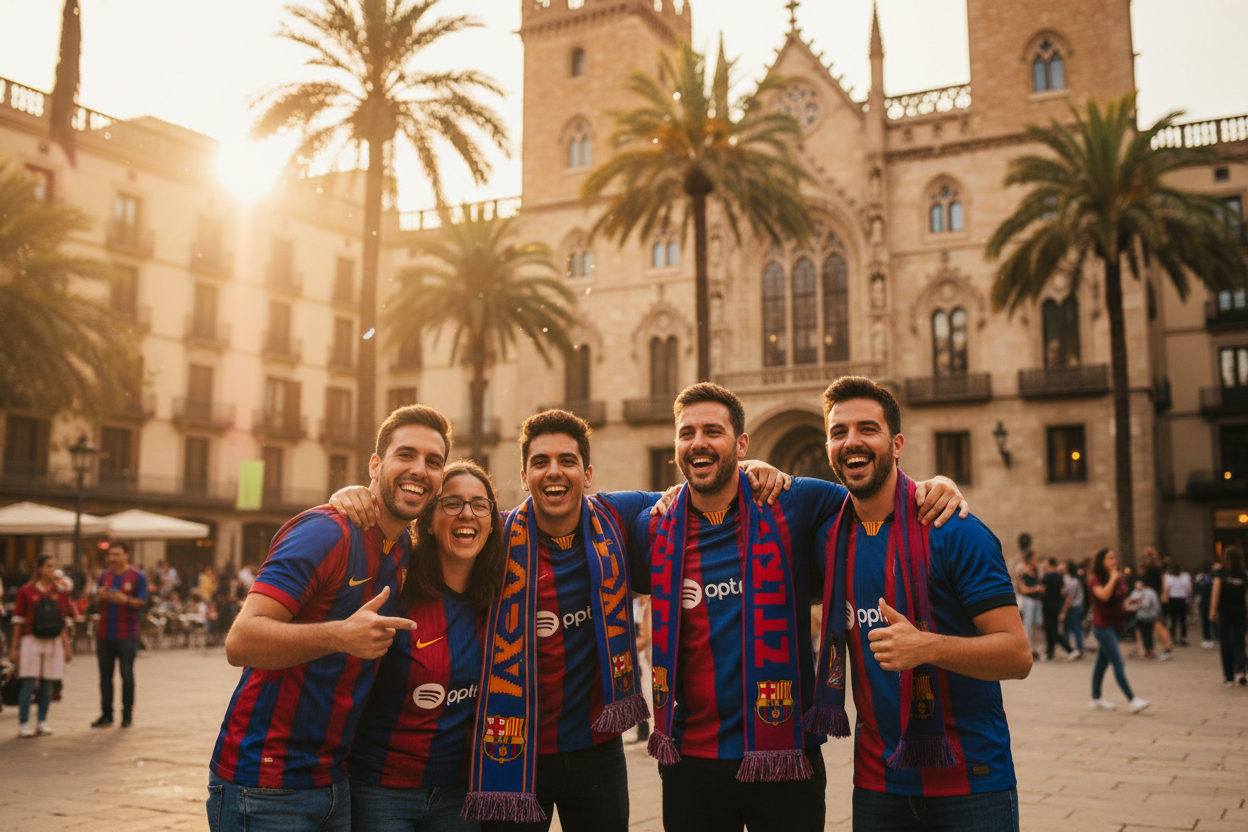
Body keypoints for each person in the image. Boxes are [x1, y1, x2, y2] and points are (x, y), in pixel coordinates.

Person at [330, 409, 791, 832]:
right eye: (541, 461)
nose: (555, 472)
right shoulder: (495, 537)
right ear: (525, 474)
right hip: (514, 752)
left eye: (567, 461)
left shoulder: (620, 514)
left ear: (586, 474)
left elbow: (699, 488)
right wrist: (358, 496)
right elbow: (438, 529)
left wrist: (752, 470)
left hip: (599, 750)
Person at [642, 383, 967, 832]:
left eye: (713, 431)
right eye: (687, 433)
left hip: (789, 759)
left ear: (740, 443)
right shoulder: (653, 519)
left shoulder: (796, 498)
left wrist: (936, 485)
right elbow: (578, 509)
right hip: (692, 762)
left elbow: (875, 496)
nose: (698, 442)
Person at [207, 405, 448, 832]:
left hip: (335, 784)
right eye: (405, 455)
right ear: (376, 464)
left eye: (433, 462)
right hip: (264, 786)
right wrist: (339, 636)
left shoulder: (405, 551)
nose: (419, 470)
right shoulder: (327, 532)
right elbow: (240, 641)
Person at [805, 376, 1029, 832]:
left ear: (897, 443)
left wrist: (926, 647)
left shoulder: (954, 530)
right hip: (877, 784)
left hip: (972, 783)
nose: (852, 442)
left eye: (867, 428)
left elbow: (1017, 654)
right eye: (838, 431)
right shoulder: (827, 538)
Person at [348, 461, 505, 832]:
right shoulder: (394, 586)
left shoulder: (501, 597)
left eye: (480, 505)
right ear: (430, 521)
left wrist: (668, 496)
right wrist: (350, 497)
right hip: (380, 789)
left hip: (459, 794)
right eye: (451, 503)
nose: (467, 513)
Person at [8, 555, 73, 737]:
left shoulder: (59, 592)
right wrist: (15, 647)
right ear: (38, 569)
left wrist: (66, 647)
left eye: (54, 566)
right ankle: (23, 723)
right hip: (30, 639)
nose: (52, 570)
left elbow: (62, 621)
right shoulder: (26, 591)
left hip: (52, 640)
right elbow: (18, 620)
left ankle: (42, 722)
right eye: (48, 566)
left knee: (47, 684)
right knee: (28, 683)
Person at [92, 541, 149, 728]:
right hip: (105, 633)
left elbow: (143, 602)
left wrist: (125, 600)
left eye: (116, 554)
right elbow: (95, 602)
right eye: (110, 555)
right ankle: (106, 713)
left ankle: (127, 715)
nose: (112, 558)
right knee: (105, 676)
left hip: (128, 633)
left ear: (126, 555)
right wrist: (100, 597)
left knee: (126, 674)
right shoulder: (105, 575)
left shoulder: (137, 576)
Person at [1087, 549, 1149, 713]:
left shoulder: (1117, 578)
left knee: (1101, 663)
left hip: (1116, 625)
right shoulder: (1095, 581)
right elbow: (1104, 596)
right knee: (1118, 662)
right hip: (1102, 626)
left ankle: (1096, 699)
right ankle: (1132, 700)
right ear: (1102, 562)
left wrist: (1132, 602)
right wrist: (1114, 578)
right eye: (1109, 558)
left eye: (1114, 557)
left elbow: (1119, 599)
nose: (1114, 561)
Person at [1210, 545, 1247, 686]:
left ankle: (1229, 676)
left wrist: (1212, 610)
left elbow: (1216, 590)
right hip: (1240, 612)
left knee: (1225, 643)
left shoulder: (1220, 573)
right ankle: (1242, 670)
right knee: (1239, 642)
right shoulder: (1243, 574)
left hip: (1225, 612)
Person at [1041, 557, 1076, 661]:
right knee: (1049, 629)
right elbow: (1062, 592)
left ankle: (1070, 650)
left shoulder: (1046, 577)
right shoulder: (1060, 577)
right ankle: (1050, 653)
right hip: (1056, 605)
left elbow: (1043, 591)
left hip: (1048, 605)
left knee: (1052, 631)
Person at [1013, 551, 1044, 658]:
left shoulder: (1035, 571)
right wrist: (1037, 588)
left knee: (1036, 626)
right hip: (1028, 601)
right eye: (1035, 559)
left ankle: (1034, 649)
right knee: (1028, 625)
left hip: (1036, 600)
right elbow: (1024, 589)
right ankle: (1028, 649)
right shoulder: (1023, 571)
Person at [1127, 581, 1169, 659]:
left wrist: (1135, 603)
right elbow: (1131, 600)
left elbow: (1146, 605)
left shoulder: (1149, 592)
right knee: (1143, 632)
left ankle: (1149, 650)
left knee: (1147, 633)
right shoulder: (1136, 591)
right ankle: (1146, 649)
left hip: (1149, 616)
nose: (1137, 588)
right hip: (1141, 616)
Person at [1162, 562, 1192, 646]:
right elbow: (1188, 588)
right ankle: (1183, 637)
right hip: (1182, 598)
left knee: (1173, 620)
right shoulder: (1185, 576)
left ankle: (1173, 637)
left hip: (1173, 599)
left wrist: (1166, 600)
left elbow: (1167, 589)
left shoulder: (1169, 577)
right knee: (1183, 620)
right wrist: (1189, 599)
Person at [1063, 560, 1087, 658]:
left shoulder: (1074, 581)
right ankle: (1072, 648)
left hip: (1074, 607)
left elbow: (1070, 596)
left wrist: (1064, 610)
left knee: (1074, 628)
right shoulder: (1075, 580)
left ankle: (1077, 649)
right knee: (1072, 628)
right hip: (1077, 607)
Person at [1194, 563, 1216, 649]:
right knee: (1212, 621)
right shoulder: (1212, 578)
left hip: (1204, 601)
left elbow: (1197, 588)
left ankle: (1207, 638)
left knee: (1205, 621)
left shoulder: (1200, 579)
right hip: (1210, 600)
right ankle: (1213, 637)